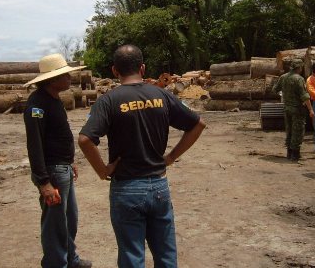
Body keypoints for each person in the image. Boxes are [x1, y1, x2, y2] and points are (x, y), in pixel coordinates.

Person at [78, 44, 206, 268]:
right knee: (166, 254)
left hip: (126, 188)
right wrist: (171, 157)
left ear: (115, 71)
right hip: (158, 185)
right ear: (143, 68)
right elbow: (198, 124)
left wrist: (102, 170)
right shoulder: (161, 95)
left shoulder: (108, 100)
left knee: (131, 255)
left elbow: (85, 139)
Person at [23, 53, 92, 268]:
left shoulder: (54, 99)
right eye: (65, 75)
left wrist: (70, 161)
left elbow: (58, 136)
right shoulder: (37, 105)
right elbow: (34, 145)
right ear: (52, 80)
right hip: (52, 173)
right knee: (55, 225)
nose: (69, 78)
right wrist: (44, 181)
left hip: (63, 169)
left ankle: (71, 259)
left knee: (69, 220)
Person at [272, 59, 314, 161]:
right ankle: (295, 154)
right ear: (299, 68)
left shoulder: (283, 77)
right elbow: (305, 96)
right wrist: (311, 110)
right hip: (297, 109)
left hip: (287, 108)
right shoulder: (299, 79)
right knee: (298, 131)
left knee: (289, 130)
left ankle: (289, 153)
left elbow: (274, 90)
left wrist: (284, 95)